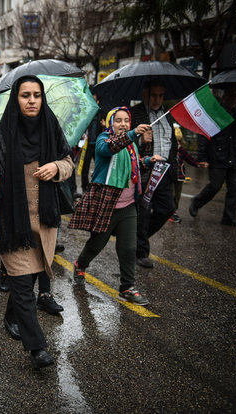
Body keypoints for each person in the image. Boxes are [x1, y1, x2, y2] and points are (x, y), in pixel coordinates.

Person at [0, 75, 74, 370]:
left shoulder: (51, 126)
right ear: (16, 99)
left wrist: (56, 167)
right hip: (13, 220)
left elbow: (69, 162)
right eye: (25, 95)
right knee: (22, 285)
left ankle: (11, 316)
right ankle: (38, 349)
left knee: (33, 276)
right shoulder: (3, 131)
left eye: (36, 95)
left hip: (44, 220)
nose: (32, 100)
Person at [69, 107, 152, 305]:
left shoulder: (131, 144)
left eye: (126, 121)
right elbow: (110, 148)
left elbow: (132, 164)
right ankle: (80, 264)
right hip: (107, 204)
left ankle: (127, 287)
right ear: (109, 123)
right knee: (96, 244)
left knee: (128, 248)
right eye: (118, 121)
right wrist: (133, 134)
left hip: (129, 205)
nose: (123, 124)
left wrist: (147, 160)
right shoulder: (102, 140)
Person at [130, 80, 178, 269]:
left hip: (164, 171)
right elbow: (125, 142)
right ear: (144, 95)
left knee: (167, 209)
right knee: (143, 213)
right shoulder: (135, 113)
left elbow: (171, 142)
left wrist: (173, 163)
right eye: (153, 95)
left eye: (161, 95)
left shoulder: (168, 114)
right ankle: (141, 251)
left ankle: (137, 239)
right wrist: (140, 140)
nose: (157, 99)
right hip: (145, 170)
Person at [189, 87, 236, 226]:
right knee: (215, 186)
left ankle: (228, 217)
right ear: (224, 97)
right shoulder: (215, 113)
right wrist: (202, 157)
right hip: (218, 157)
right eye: (231, 96)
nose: (233, 100)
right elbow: (204, 136)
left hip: (234, 157)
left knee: (235, 189)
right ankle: (197, 202)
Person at [170, 124, 205, 223]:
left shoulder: (181, 150)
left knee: (177, 195)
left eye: (179, 141)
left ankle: (174, 211)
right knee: (171, 194)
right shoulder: (169, 150)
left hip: (180, 176)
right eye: (175, 140)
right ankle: (170, 212)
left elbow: (189, 158)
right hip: (170, 176)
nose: (177, 143)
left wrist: (198, 164)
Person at [81, 93, 106, 194]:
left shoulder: (102, 113)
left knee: (100, 167)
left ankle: (98, 187)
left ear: (98, 102)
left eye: (94, 100)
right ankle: (85, 189)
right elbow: (81, 126)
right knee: (84, 169)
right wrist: (82, 133)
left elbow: (108, 132)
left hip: (98, 146)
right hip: (87, 145)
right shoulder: (86, 113)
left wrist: (104, 126)